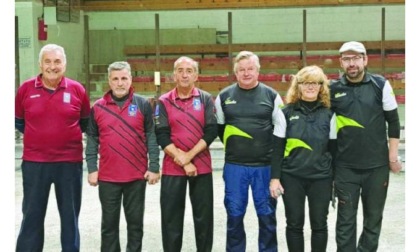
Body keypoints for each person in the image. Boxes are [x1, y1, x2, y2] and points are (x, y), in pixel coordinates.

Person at [14, 44, 91, 252]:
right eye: (47, 61)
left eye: (57, 61)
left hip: (69, 163)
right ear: (40, 64)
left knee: (70, 217)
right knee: (32, 215)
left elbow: (84, 122)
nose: (52, 66)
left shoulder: (77, 89)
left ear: (64, 64)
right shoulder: (26, 89)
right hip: (35, 163)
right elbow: (19, 121)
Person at [330, 41, 402, 251]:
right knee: (345, 223)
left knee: (373, 221)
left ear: (365, 60)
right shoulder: (332, 89)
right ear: (341, 62)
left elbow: (394, 122)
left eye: (355, 58)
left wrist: (392, 157)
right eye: (346, 59)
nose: (351, 64)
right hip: (345, 169)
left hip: (377, 168)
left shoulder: (381, 85)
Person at [85, 61, 160, 252]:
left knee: (135, 226)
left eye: (124, 78)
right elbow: (92, 139)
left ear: (131, 80)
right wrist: (92, 169)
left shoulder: (143, 104)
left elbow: (151, 135)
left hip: (136, 177)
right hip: (108, 177)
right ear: (109, 81)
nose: (120, 83)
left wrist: (154, 166)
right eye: (116, 79)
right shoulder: (98, 108)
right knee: (109, 226)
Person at [214, 51, 284, 252]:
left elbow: (280, 133)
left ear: (258, 70)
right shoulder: (224, 97)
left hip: (265, 167)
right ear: (235, 72)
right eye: (241, 70)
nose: (246, 73)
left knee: (267, 216)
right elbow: (221, 128)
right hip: (235, 167)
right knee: (234, 216)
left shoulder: (272, 96)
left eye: (250, 69)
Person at [269, 65, 337, 252]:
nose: (310, 87)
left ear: (321, 86)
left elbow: (334, 149)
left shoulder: (329, 114)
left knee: (319, 225)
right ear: (297, 86)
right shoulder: (285, 113)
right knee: (294, 224)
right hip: (292, 177)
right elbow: (277, 148)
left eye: (315, 83)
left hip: (321, 178)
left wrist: (334, 179)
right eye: (306, 82)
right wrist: (275, 179)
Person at [155, 56, 218, 252]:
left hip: (202, 167)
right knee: (171, 220)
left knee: (204, 219)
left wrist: (188, 157)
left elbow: (211, 131)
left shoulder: (206, 99)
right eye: (180, 70)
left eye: (189, 70)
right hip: (172, 169)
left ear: (196, 75)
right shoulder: (163, 101)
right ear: (174, 75)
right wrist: (182, 161)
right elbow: (162, 135)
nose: (184, 74)